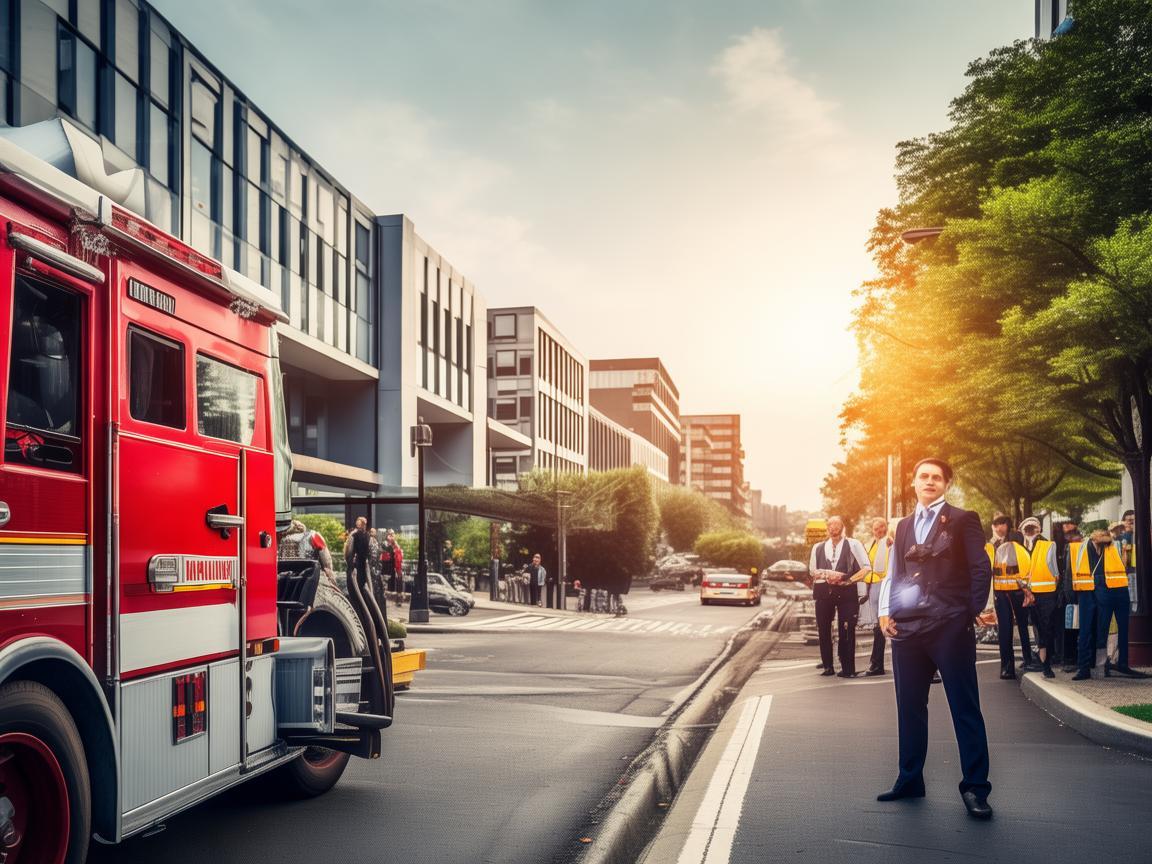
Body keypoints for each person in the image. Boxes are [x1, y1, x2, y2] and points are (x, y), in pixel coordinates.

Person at [877, 457, 993, 819]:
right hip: (908, 627)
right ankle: (910, 779)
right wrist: (887, 612)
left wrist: (972, 610)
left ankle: (975, 787)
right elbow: (895, 572)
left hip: (949, 625)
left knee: (964, 707)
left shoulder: (963, 520)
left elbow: (980, 566)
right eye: (923, 476)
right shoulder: (905, 525)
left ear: (946, 485)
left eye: (936, 478)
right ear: (913, 482)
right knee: (909, 706)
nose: (929, 482)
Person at [1071, 529, 1148, 680]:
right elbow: (1073, 569)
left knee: (1115, 629)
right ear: (1092, 536)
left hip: (1115, 589)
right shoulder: (1080, 547)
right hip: (1090, 590)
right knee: (1094, 630)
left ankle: (1117, 664)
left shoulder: (1116, 545)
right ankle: (1090, 667)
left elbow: (1124, 564)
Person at [808, 515, 871, 678]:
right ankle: (828, 666)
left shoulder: (854, 544)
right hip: (823, 593)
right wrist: (823, 574)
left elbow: (866, 568)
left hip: (847, 591)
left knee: (847, 629)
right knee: (823, 629)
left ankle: (848, 668)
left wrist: (849, 580)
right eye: (830, 524)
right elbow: (812, 570)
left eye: (836, 524)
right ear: (827, 528)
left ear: (842, 526)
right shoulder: (818, 547)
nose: (833, 527)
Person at [986, 515, 1036, 679]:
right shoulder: (1010, 547)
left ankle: (1008, 667)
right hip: (1014, 592)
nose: (998, 528)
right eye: (996, 525)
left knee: (1007, 629)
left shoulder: (1003, 545)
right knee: (1017, 627)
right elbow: (1026, 570)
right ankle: (1025, 660)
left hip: (1005, 592)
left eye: (1001, 525)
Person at [1020, 517, 1059, 678]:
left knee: (1046, 628)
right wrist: (1026, 591)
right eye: (1027, 529)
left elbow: (1055, 571)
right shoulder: (1020, 547)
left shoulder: (1048, 545)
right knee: (1037, 628)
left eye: (1033, 528)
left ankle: (1046, 663)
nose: (1030, 532)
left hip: (1046, 593)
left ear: (1039, 530)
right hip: (1027, 594)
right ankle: (1043, 661)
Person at [861, 516, 892, 676]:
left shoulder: (889, 541)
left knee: (884, 625)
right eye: (876, 528)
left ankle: (876, 664)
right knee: (877, 627)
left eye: (881, 527)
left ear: (886, 527)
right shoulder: (870, 544)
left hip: (885, 585)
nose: (879, 530)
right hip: (872, 587)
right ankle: (876, 664)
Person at [380, 529, 405, 603]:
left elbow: (399, 556)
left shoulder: (396, 544)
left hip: (395, 566)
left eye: (393, 534)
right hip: (387, 567)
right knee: (386, 582)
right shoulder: (384, 544)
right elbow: (384, 556)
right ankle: (384, 598)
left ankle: (399, 597)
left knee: (399, 578)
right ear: (387, 535)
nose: (392, 536)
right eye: (390, 534)